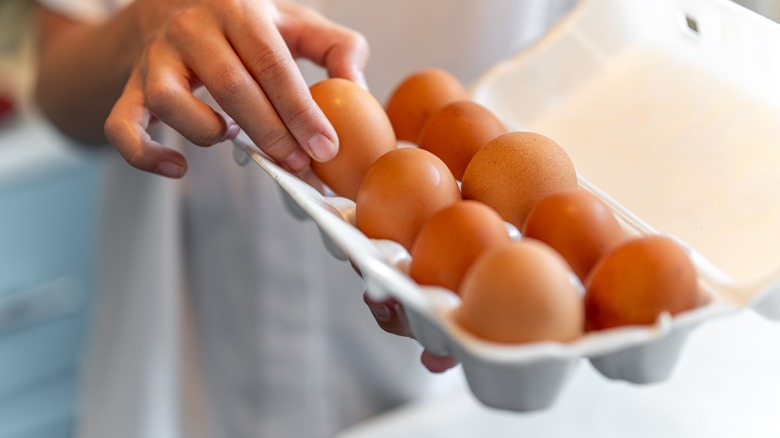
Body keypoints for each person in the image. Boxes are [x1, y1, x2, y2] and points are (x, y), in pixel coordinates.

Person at [33, 0, 575, 437]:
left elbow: (621, 65)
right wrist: (148, 22)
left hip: (438, 402)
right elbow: (56, 86)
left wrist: (491, 268)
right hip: (184, 366)